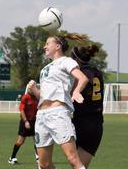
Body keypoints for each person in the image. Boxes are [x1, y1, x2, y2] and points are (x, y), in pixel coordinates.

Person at [29, 34, 89, 169]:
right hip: (41, 116)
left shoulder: (66, 61)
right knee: (43, 164)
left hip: (58, 114)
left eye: (47, 43)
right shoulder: (45, 69)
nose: (44, 46)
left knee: (73, 159)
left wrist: (76, 91)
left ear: (57, 46)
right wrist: (33, 89)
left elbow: (83, 78)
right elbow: (43, 97)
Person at [70, 45, 104, 168]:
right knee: (78, 166)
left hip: (82, 122)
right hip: (96, 123)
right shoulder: (97, 72)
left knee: (77, 165)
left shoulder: (80, 75)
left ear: (76, 60)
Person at [8, 86, 39, 164]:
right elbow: (21, 110)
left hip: (34, 122)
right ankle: (12, 158)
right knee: (20, 141)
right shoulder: (25, 97)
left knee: (37, 141)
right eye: (31, 88)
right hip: (25, 122)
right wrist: (25, 121)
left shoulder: (37, 98)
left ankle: (38, 157)